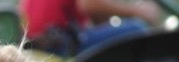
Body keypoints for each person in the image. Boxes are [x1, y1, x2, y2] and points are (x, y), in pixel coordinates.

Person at [20, 0, 162, 55]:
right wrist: (136, 11)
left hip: (40, 46)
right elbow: (88, 5)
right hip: (60, 44)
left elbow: (97, 17)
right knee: (136, 29)